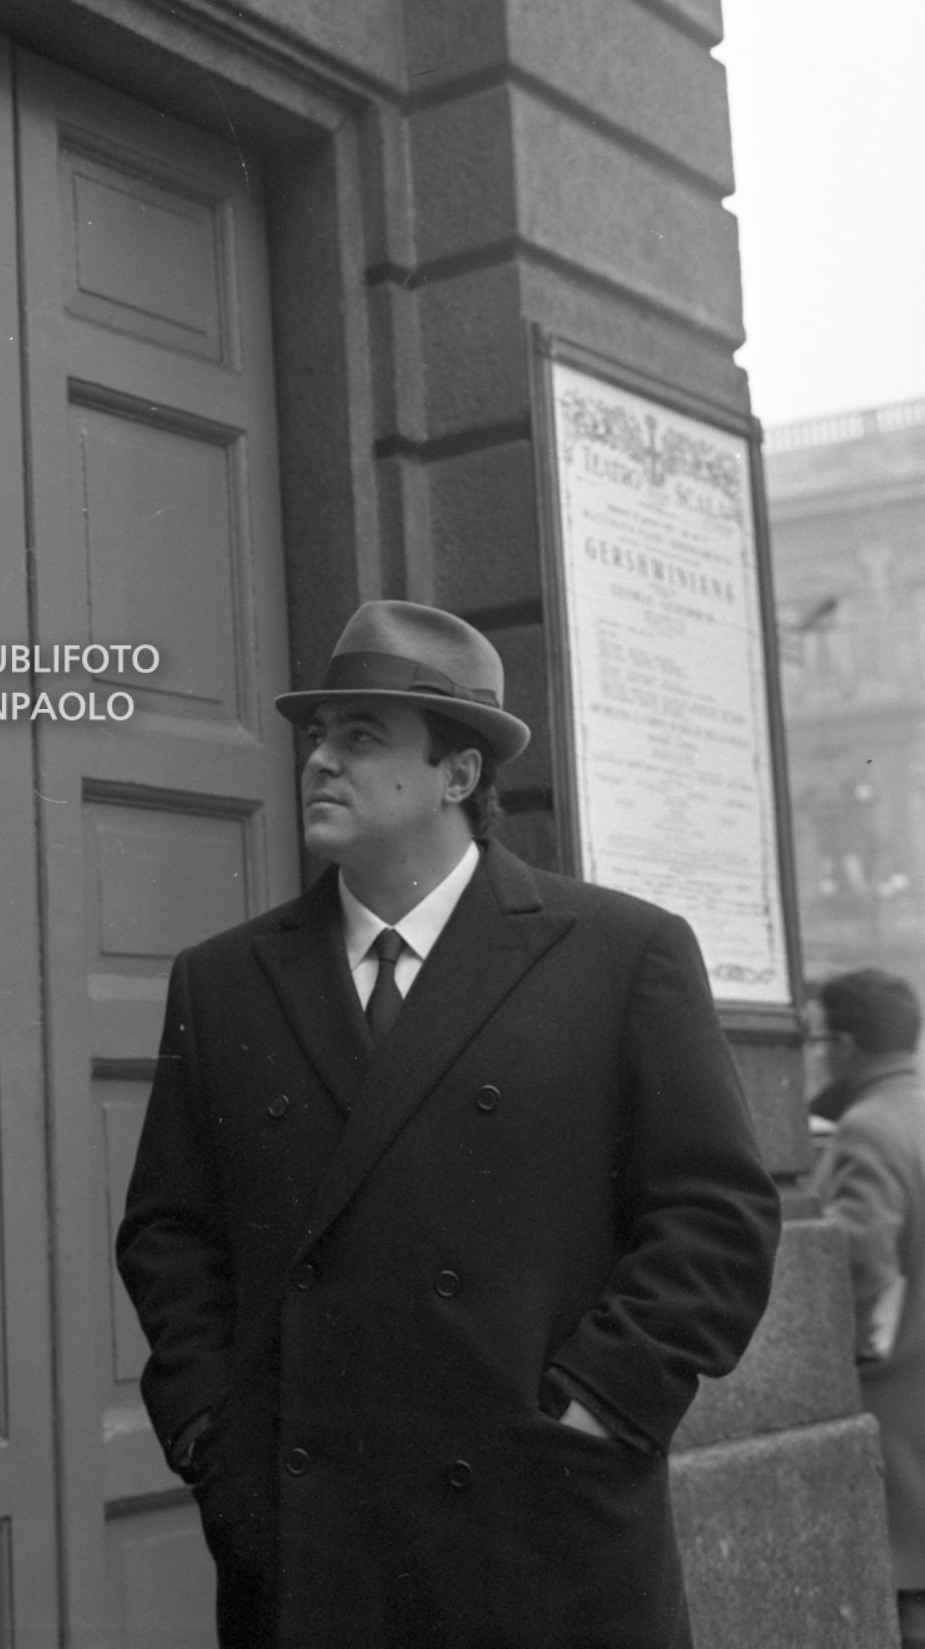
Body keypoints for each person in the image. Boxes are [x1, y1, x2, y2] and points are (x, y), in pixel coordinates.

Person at [115, 599, 781, 1648]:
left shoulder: (617, 952)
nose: (318, 759)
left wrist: (599, 1407)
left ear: (457, 775)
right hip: (307, 1533)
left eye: (360, 736)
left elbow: (716, 1217)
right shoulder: (224, 978)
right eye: (317, 735)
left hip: (539, 1524)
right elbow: (167, 1230)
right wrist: (208, 1428)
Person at [810, 968, 925, 1648]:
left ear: (845, 1045)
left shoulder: (867, 1129)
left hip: (896, 1420)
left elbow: (859, 1270)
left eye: (817, 1039)